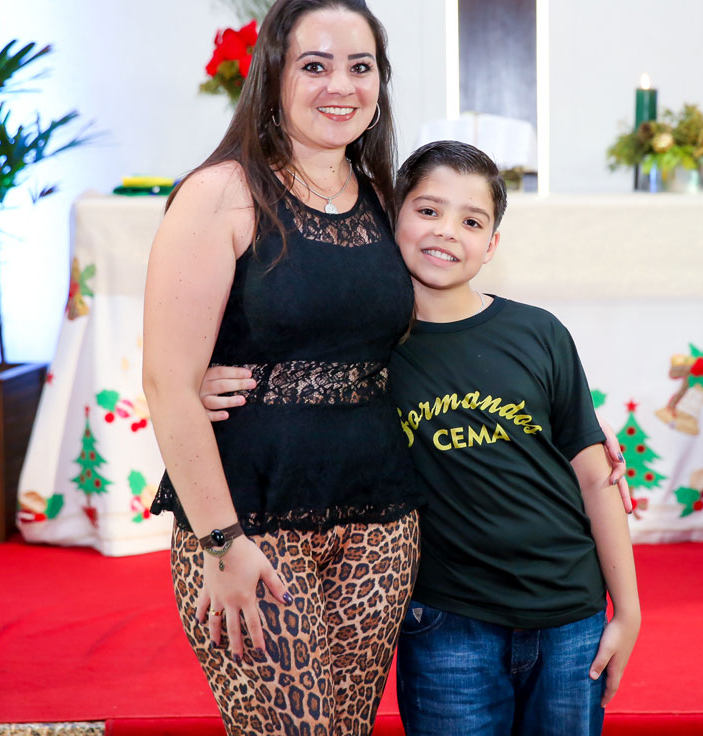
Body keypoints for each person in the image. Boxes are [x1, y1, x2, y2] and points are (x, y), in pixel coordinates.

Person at [204, 141, 640, 735]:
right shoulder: (368, 353)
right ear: (391, 219)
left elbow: (594, 475)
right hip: (446, 623)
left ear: (493, 244)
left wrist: (628, 610)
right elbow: (291, 377)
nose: (447, 232)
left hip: (571, 615)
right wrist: (206, 381)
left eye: (472, 221)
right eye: (429, 210)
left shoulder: (540, 333)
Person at [143, 0, 426, 735]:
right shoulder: (220, 194)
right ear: (273, 74)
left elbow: (433, 337)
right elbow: (167, 383)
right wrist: (221, 542)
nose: (341, 86)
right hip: (250, 522)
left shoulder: (385, 199)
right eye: (315, 66)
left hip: (379, 525)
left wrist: (563, 418)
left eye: (361, 66)